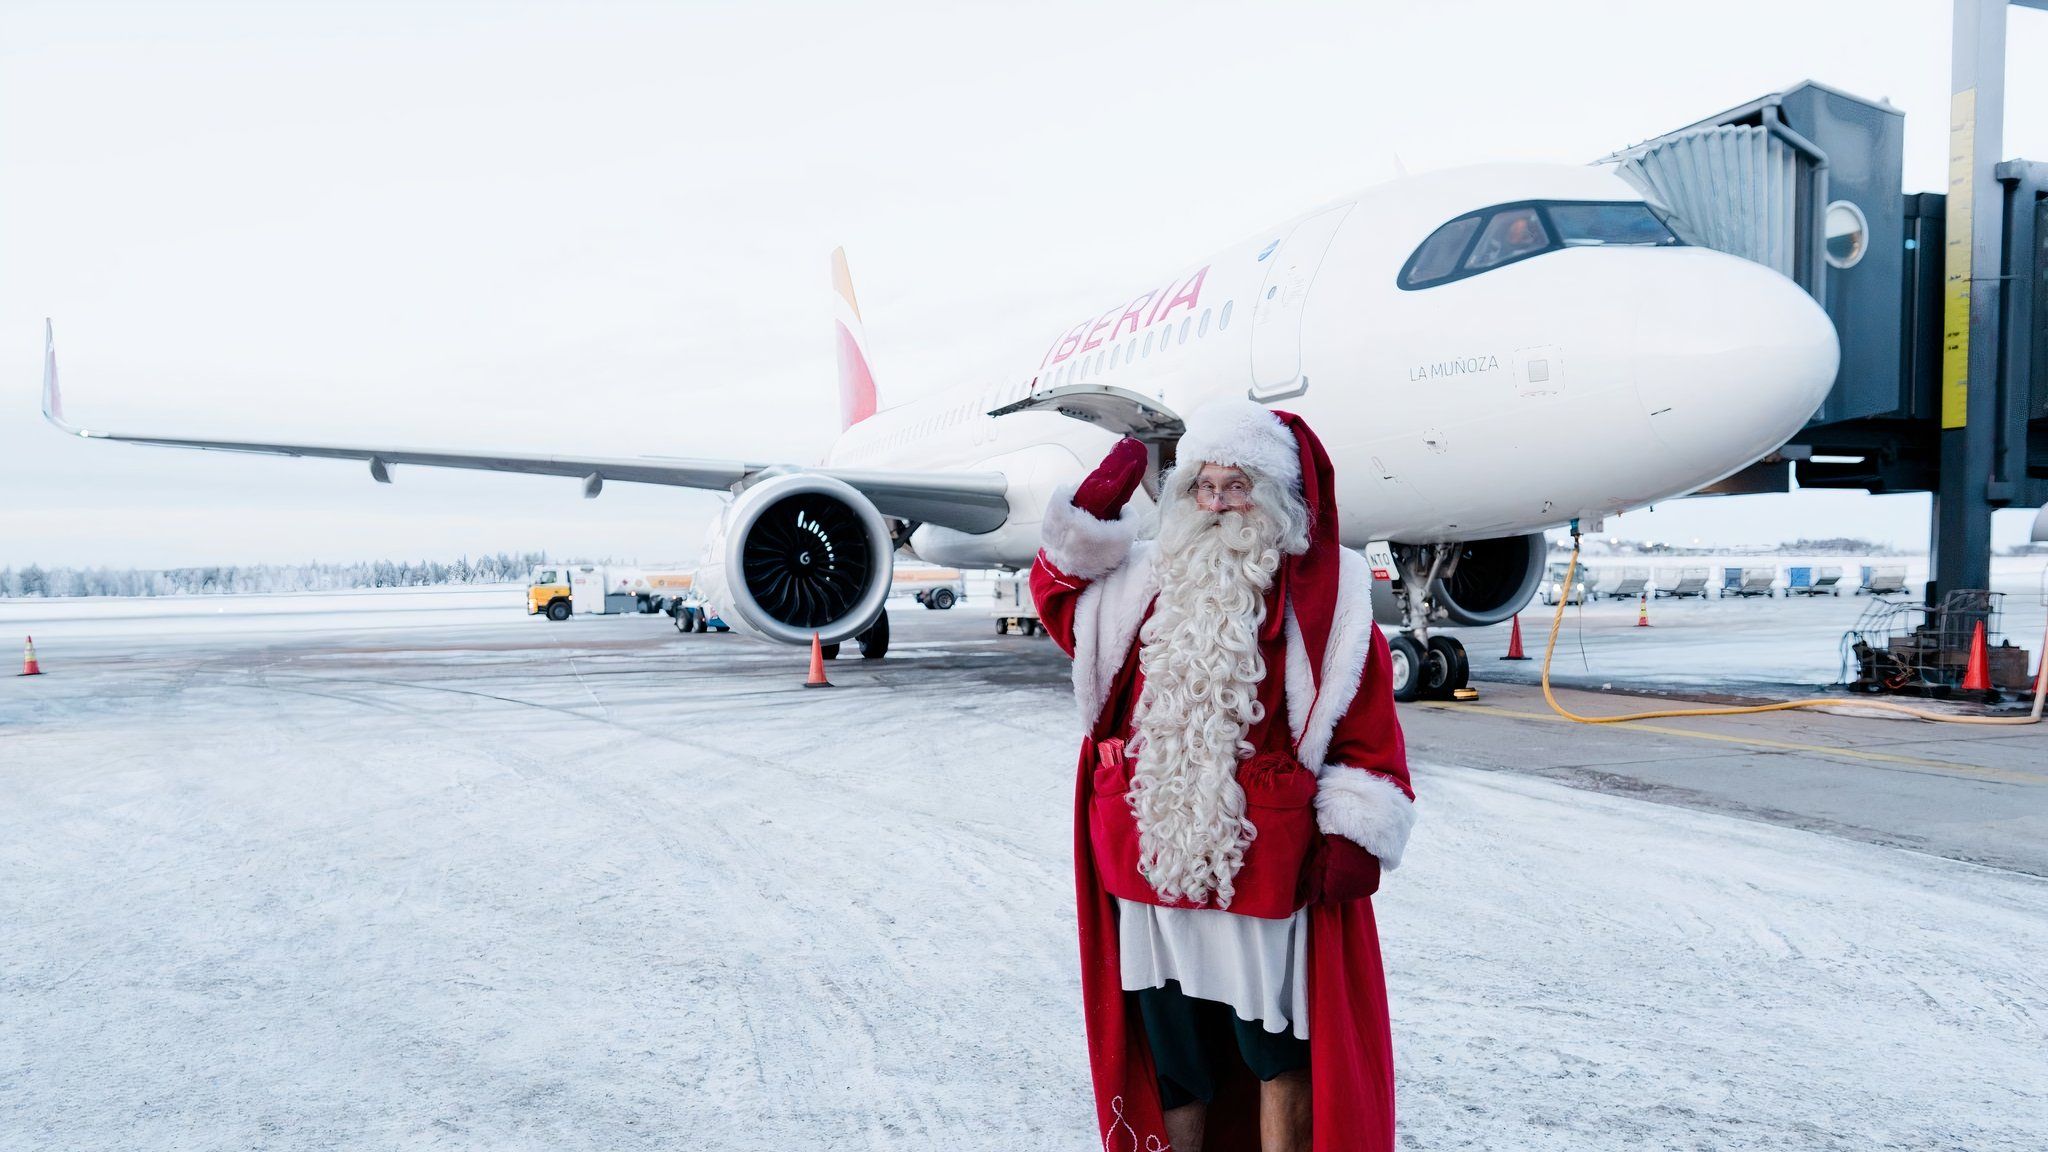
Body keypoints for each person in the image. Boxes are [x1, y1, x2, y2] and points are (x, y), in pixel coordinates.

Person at [1031, 399, 1414, 1152]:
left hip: (1263, 876)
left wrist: (1353, 834)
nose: (1216, 504)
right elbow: (1062, 605)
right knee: (1174, 1064)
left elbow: (1367, 726)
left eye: (1235, 486)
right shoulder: (1145, 582)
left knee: (1278, 1054)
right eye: (1202, 487)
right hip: (1152, 869)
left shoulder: (1327, 600)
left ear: (1272, 497)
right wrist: (1090, 515)